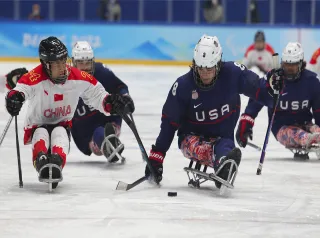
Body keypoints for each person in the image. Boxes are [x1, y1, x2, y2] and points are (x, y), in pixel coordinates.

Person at [144, 34, 282, 189]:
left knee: (226, 147)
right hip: (190, 138)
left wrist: (272, 85)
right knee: (204, 146)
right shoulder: (182, 86)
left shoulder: (233, 73)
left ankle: (224, 165)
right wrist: (157, 156)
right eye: (200, 68)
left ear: (218, 63)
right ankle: (222, 163)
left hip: (223, 137)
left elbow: (259, 89)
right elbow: (169, 122)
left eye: (209, 68)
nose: (205, 74)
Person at [4, 36, 134, 189]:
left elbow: (97, 94)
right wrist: (14, 98)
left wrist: (109, 103)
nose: (62, 67)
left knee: (60, 133)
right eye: (56, 63)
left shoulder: (77, 76)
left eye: (63, 61)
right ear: (46, 64)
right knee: (41, 133)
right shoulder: (35, 77)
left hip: (63, 124)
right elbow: (21, 89)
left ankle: (56, 163)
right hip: (37, 125)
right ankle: (41, 161)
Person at [237, 42, 320, 160]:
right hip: (282, 128)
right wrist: (246, 123)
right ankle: (309, 138)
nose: (290, 69)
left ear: (301, 64)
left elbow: (318, 109)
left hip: (306, 123)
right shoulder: (274, 79)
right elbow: (257, 98)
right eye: (287, 65)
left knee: (316, 132)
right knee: (301, 136)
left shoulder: (312, 81)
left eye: (294, 65)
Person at [71, 41, 130, 163]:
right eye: (81, 63)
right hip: (84, 128)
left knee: (103, 130)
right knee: (97, 133)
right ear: (73, 63)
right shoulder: (65, 82)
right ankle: (107, 143)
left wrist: (125, 98)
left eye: (88, 62)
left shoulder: (101, 72)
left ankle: (108, 141)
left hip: (107, 118)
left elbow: (119, 87)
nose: (85, 67)